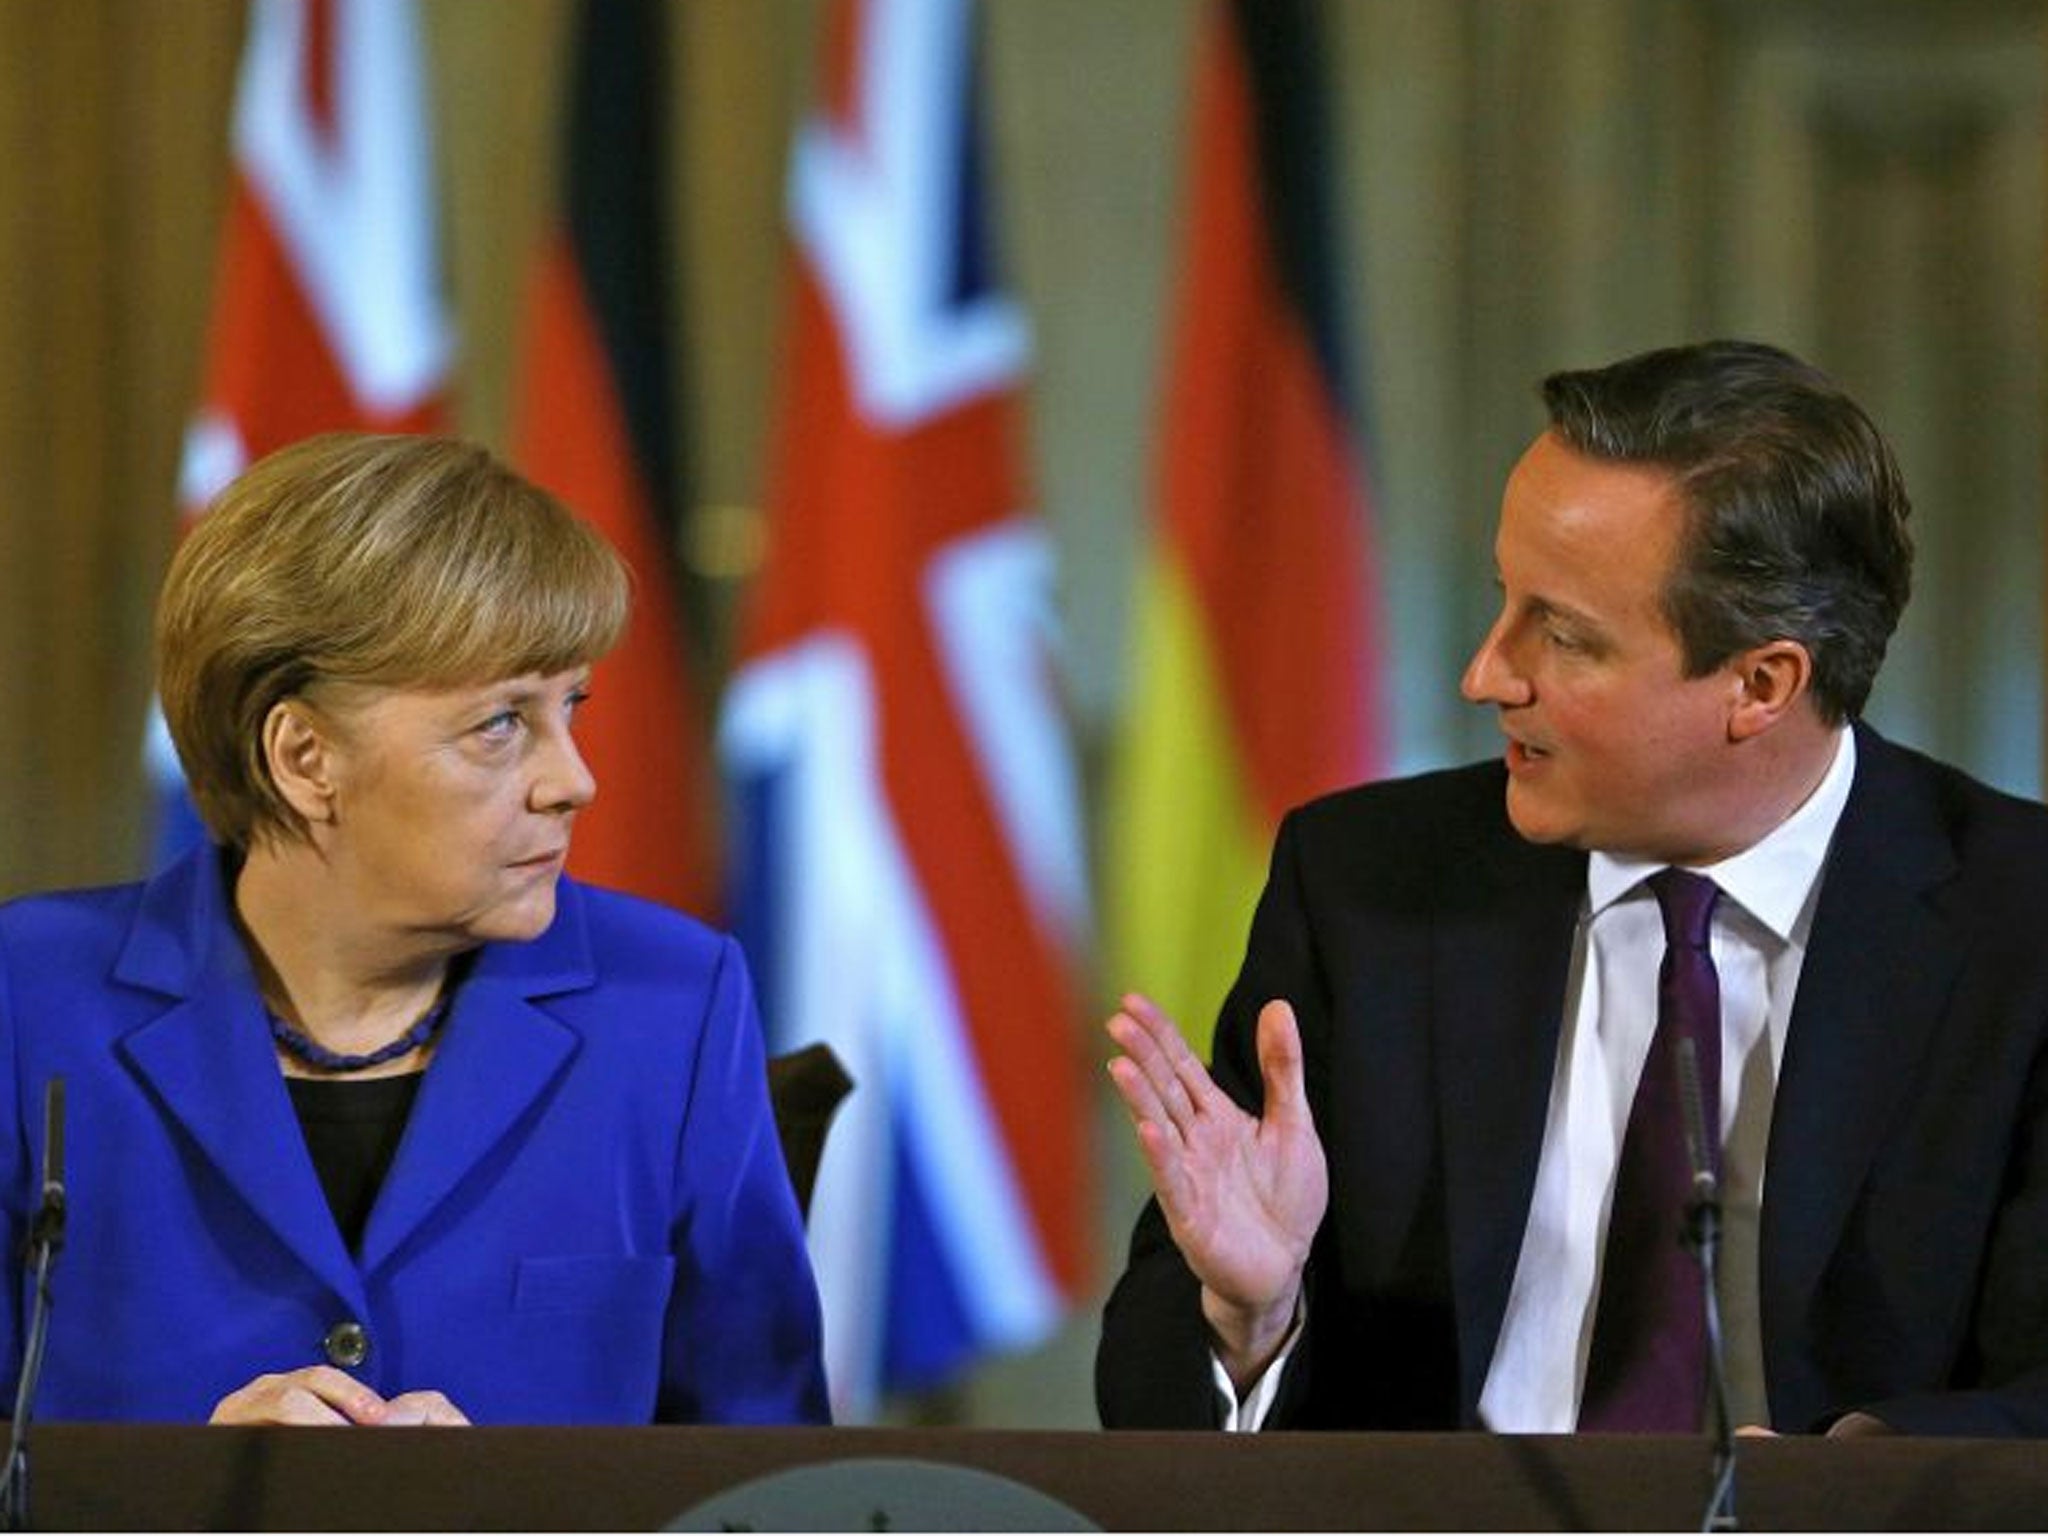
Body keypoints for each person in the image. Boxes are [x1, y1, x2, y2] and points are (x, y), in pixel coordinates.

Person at [1098, 339, 2048, 1437]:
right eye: (1507, 603)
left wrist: (1846, 1488)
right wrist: (1246, 1313)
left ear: (1759, 684)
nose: (1485, 675)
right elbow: (1143, 1403)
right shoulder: (1367, 889)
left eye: (1560, 635)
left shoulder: (2015, 929)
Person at [0, 432, 829, 1426]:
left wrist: (500, 1509)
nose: (573, 780)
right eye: (500, 725)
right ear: (304, 757)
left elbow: (768, 1484)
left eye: (571, 707)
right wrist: (178, 1499)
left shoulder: (671, 1006)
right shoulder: (29, 1002)